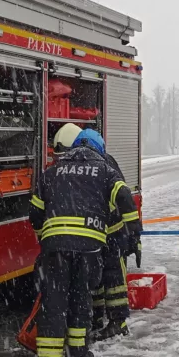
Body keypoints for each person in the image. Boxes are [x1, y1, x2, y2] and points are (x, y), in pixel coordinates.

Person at [26, 124, 137, 357]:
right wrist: (134, 231)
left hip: (56, 248)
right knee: (80, 299)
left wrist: (46, 237)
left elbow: (35, 213)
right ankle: (78, 354)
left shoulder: (51, 172)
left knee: (53, 303)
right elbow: (123, 195)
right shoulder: (105, 171)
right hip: (90, 248)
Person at [72, 128, 142, 342]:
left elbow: (123, 197)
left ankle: (117, 322)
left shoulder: (105, 164)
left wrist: (133, 234)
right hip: (95, 233)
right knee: (95, 278)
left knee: (113, 279)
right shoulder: (86, 165)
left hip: (111, 231)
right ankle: (96, 318)